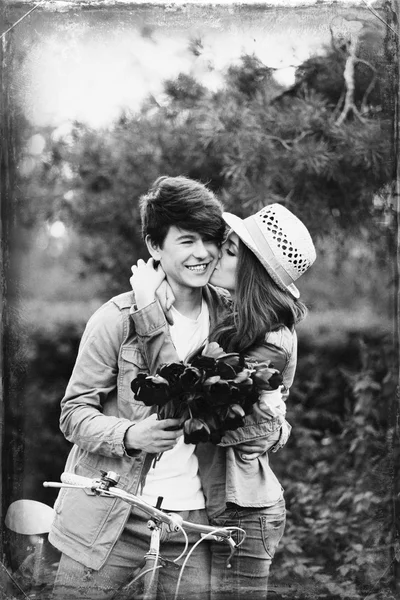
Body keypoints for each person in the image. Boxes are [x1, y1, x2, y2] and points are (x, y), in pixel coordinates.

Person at [48, 175, 233, 600]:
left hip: (193, 520)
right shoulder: (115, 318)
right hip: (109, 515)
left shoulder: (232, 319)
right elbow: (73, 412)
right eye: (187, 241)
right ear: (154, 246)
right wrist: (131, 436)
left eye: (210, 239)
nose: (202, 253)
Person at [129, 202, 316, 600]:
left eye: (229, 252)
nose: (215, 254)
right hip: (217, 503)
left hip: (245, 513)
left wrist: (147, 305)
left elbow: (186, 401)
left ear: (253, 272)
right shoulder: (236, 318)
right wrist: (165, 282)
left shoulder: (271, 344)